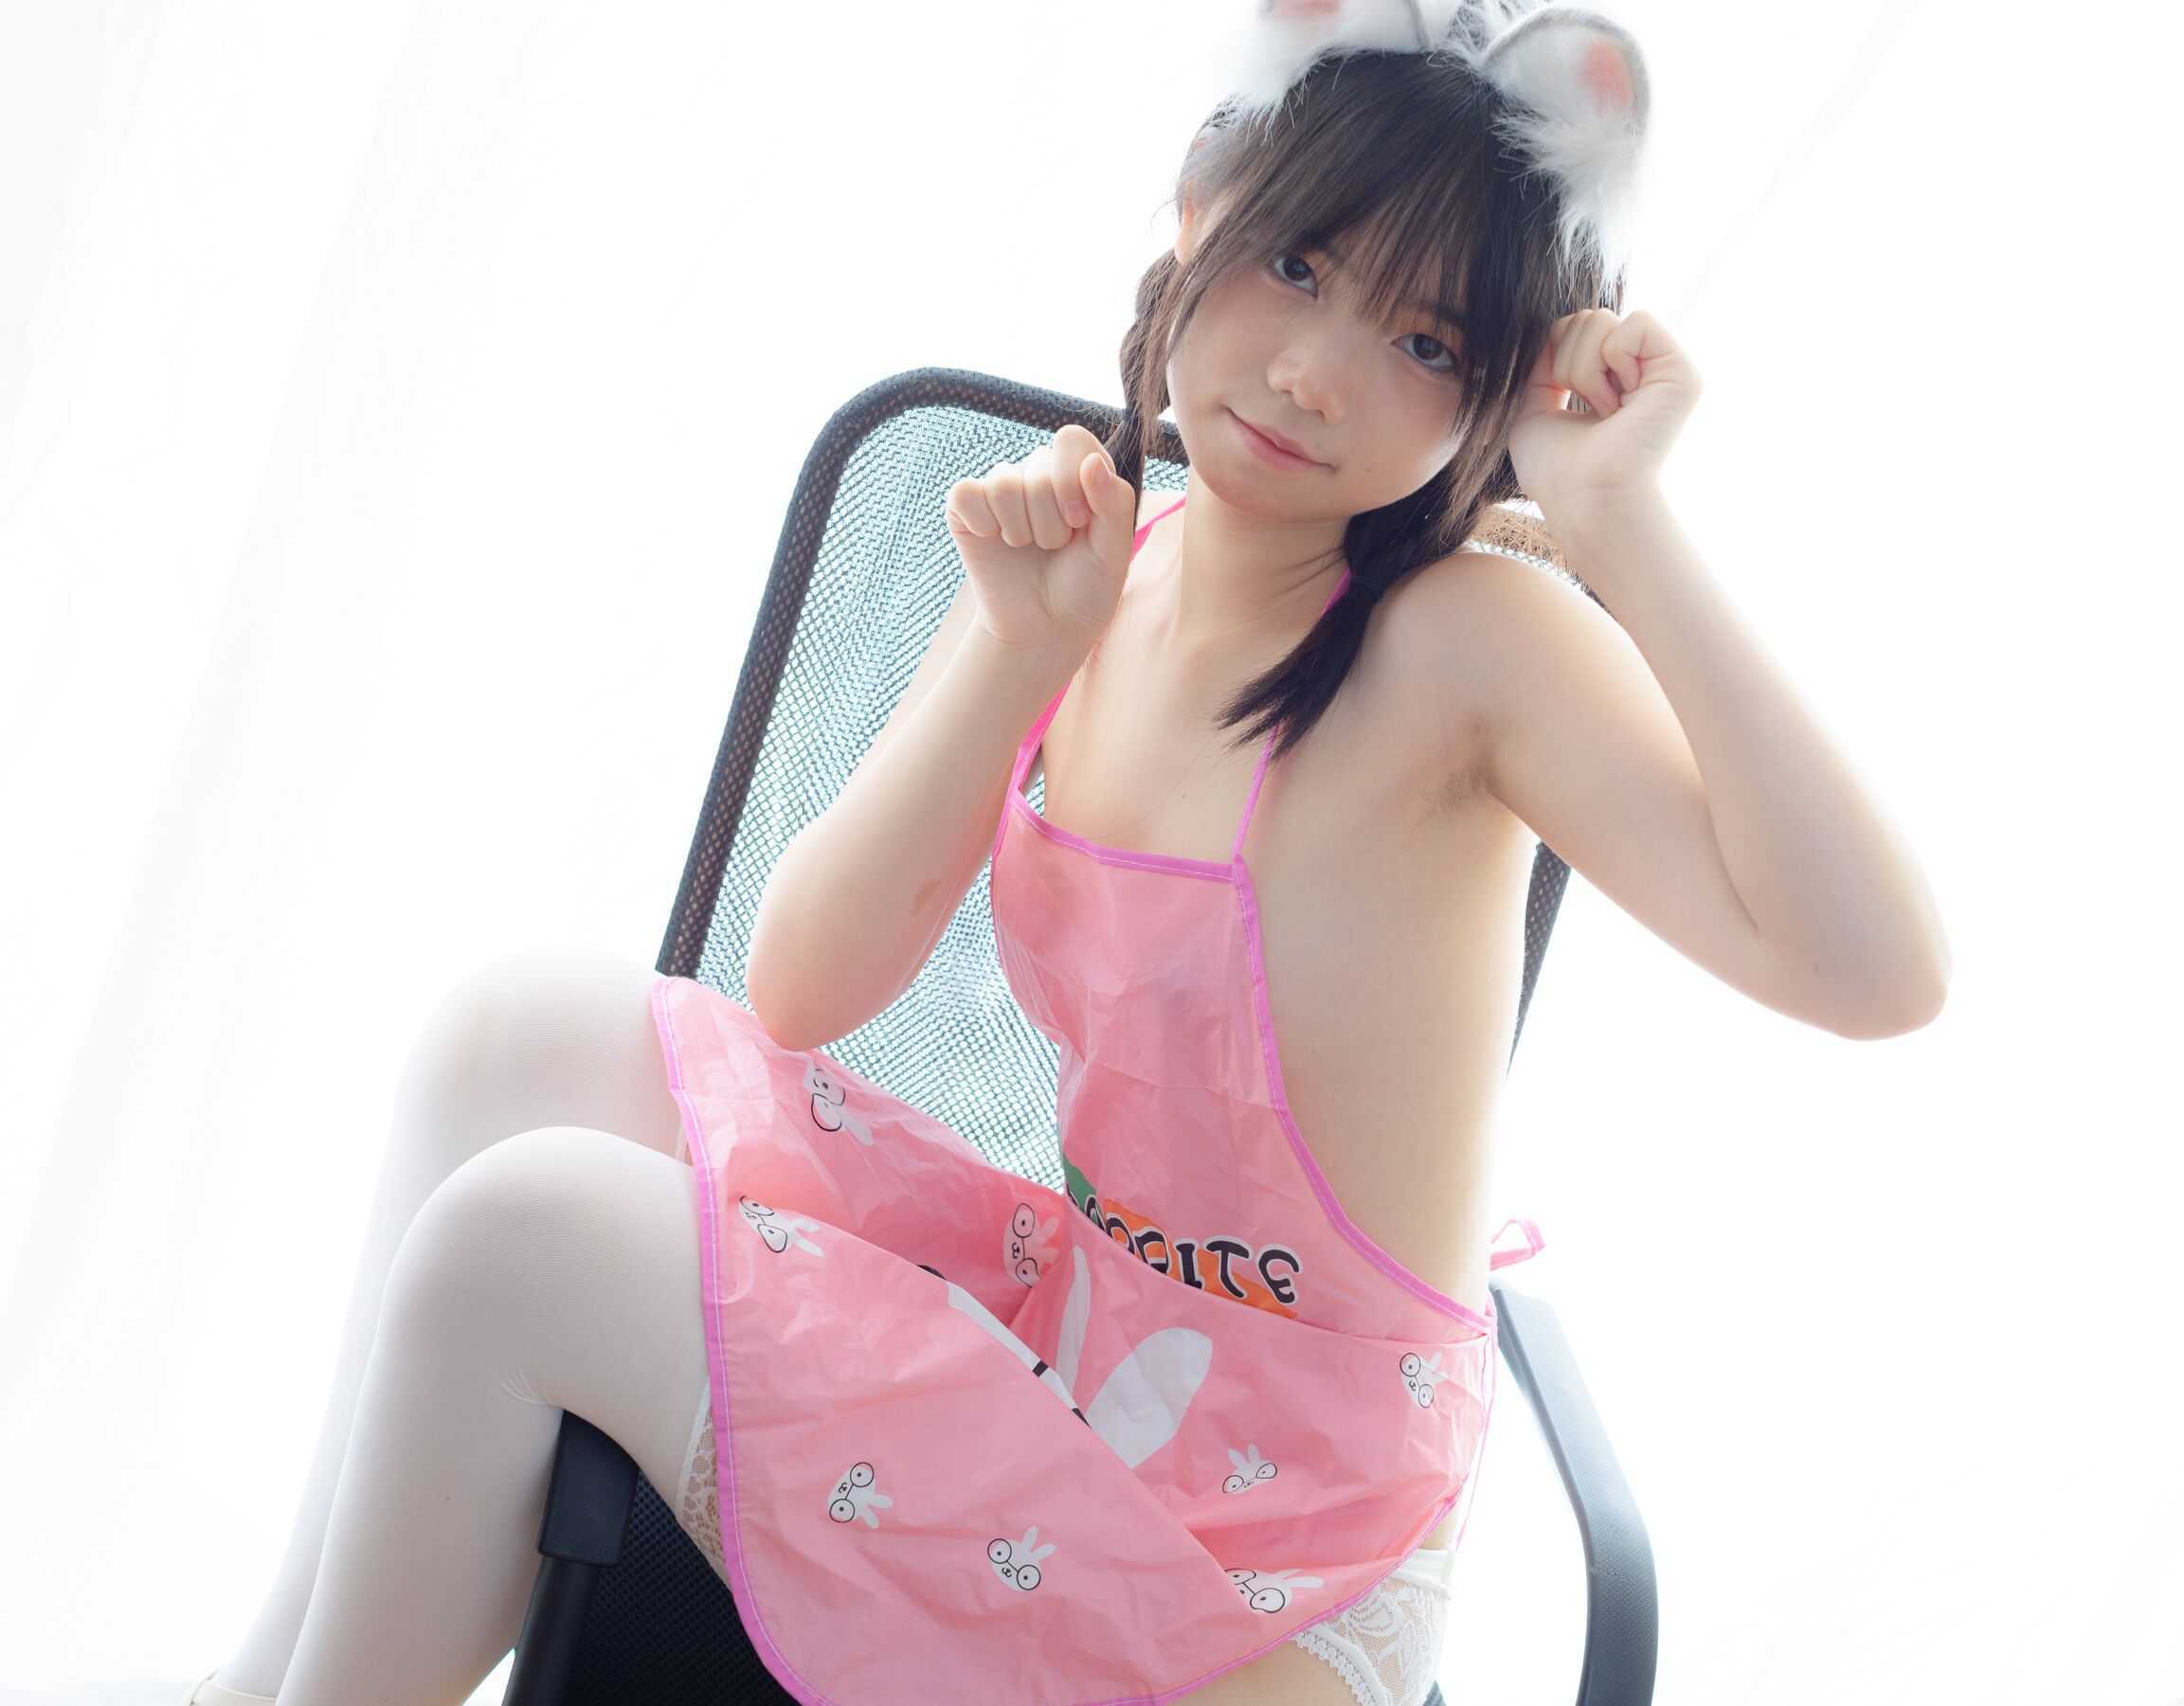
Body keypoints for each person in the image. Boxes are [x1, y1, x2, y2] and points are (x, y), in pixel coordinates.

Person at [189, 3, 1944, 1702]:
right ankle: (259, 1684)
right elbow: (800, 991)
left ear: (1492, 391)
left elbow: (1879, 972)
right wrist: (1018, 648)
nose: (1317, 371)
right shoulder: (1105, 559)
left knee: (522, 1236)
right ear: (1199, 214)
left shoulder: (1470, 642)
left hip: (1278, 1536)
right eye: (1297, 263)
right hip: (1082, 1337)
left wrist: (1621, 520)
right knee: (507, 1038)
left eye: (1426, 344)